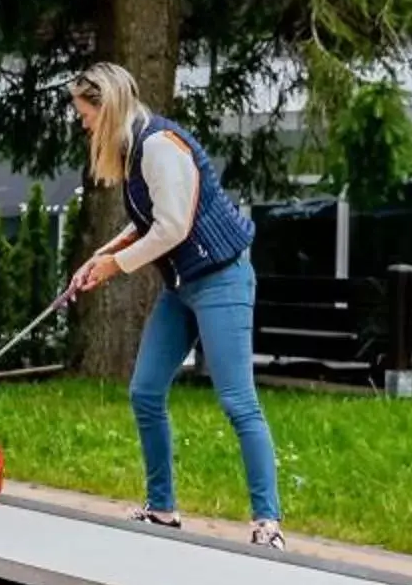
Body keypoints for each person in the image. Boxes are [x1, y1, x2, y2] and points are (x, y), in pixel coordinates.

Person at [63, 62, 283, 549]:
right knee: (144, 392)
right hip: (182, 287)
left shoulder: (160, 147)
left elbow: (173, 229)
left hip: (221, 280)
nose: (82, 124)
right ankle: (162, 510)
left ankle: (268, 523)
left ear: (108, 106)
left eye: (85, 114)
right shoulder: (135, 148)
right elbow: (148, 221)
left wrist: (116, 267)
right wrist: (99, 257)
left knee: (237, 401)